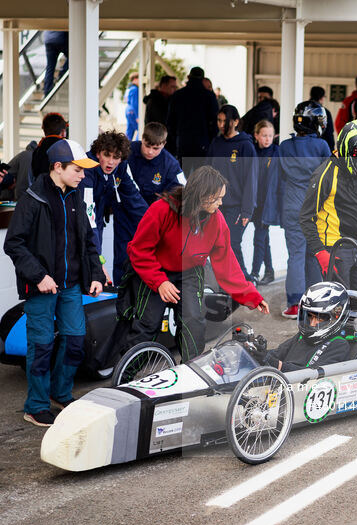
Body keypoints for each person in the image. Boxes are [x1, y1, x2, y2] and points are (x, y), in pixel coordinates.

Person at [3, 139, 105, 426]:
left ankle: (61, 393)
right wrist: (39, 276)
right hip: (41, 287)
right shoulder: (32, 199)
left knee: (75, 340)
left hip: (71, 284)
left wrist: (95, 274)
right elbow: (14, 244)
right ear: (57, 168)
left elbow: (87, 241)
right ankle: (35, 406)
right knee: (42, 345)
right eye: (78, 169)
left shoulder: (75, 196)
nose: (83, 175)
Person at [120, 166, 269, 362]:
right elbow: (138, 249)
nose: (221, 203)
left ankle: (191, 373)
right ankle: (125, 378)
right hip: (155, 269)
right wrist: (159, 281)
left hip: (188, 272)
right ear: (200, 195)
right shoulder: (162, 210)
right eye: (216, 198)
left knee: (194, 323)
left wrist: (252, 296)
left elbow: (228, 266)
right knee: (147, 325)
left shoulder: (217, 220)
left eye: (222, 197)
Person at [300, 118, 357, 291]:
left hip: (355, 243)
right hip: (333, 249)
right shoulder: (324, 175)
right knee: (340, 305)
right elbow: (305, 217)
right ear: (350, 152)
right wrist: (320, 253)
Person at [278, 100, 332, 318]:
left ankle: (294, 304)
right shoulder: (321, 146)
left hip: (292, 206)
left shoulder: (284, 146)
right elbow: (329, 180)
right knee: (313, 254)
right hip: (316, 208)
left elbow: (277, 180)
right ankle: (315, 301)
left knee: (296, 255)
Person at [82, 130, 148, 285]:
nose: (111, 162)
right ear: (98, 153)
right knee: (89, 261)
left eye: (116, 157)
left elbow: (134, 198)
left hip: (98, 215)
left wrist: (156, 223)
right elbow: (87, 212)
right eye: (107, 155)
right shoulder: (87, 166)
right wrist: (98, 259)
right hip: (78, 219)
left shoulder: (121, 167)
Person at [204, 104, 258, 279]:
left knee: (232, 243)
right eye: (218, 121)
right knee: (217, 244)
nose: (220, 125)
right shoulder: (216, 143)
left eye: (224, 121)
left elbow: (251, 179)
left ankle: (244, 280)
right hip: (214, 205)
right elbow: (207, 172)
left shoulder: (245, 146)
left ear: (235, 122)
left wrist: (247, 210)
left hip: (237, 206)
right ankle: (226, 281)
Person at [256, 281, 351, 372]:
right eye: (310, 316)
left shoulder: (339, 345)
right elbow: (275, 354)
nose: (312, 324)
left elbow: (315, 375)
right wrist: (257, 351)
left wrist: (279, 365)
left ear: (336, 317)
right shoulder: (302, 337)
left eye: (319, 319)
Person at [165, 66, 218, 173]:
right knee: (201, 178)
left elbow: (170, 122)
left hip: (183, 143)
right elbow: (215, 121)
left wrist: (176, 139)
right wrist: (210, 140)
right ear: (203, 79)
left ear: (189, 77)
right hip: (203, 144)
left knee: (183, 178)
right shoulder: (209, 96)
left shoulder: (178, 95)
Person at [127, 121, 185, 208]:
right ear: (142, 139)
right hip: (126, 207)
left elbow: (182, 189)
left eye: (155, 148)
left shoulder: (171, 164)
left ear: (164, 144)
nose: (150, 152)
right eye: (147, 146)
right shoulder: (127, 150)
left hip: (153, 211)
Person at [252, 119, 280, 285]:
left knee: (259, 237)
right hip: (254, 202)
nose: (267, 139)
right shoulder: (252, 151)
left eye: (270, 135)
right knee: (263, 238)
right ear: (256, 136)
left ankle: (255, 273)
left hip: (268, 203)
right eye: (264, 135)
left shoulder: (276, 152)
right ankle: (269, 271)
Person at [30, 112, 69, 189]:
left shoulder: (38, 149)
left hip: (40, 191)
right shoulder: (65, 147)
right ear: (63, 132)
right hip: (58, 192)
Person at [309, 86, 336, 152]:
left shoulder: (304, 110)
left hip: (304, 146)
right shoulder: (323, 112)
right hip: (321, 147)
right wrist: (331, 149)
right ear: (321, 98)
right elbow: (328, 133)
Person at [42, 31, 69, 97]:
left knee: (50, 67)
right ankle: (62, 74)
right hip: (61, 38)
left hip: (48, 39)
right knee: (74, 56)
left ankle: (47, 91)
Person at [124, 72, 140, 141]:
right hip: (133, 111)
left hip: (128, 109)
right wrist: (137, 116)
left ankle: (124, 146)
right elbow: (135, 103)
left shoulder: (129, 88)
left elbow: (125, 99)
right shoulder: (135, 89)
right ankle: (137, 145)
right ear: (135, 79)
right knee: (140, 129)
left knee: (129, 130)